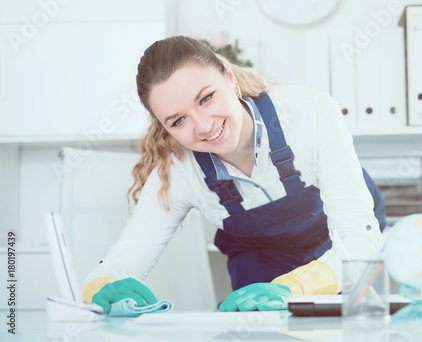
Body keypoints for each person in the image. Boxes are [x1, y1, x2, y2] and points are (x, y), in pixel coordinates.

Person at [82, 35, 384, 313]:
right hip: (263, 263)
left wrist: (293, 288)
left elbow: (360, 243)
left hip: (343, 242)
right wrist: (102, 288)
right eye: (178, 121)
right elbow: (122, 262)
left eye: (206, 98)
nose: (203, 126)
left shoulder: (312, 113)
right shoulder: (179, 172)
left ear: (229, 77)